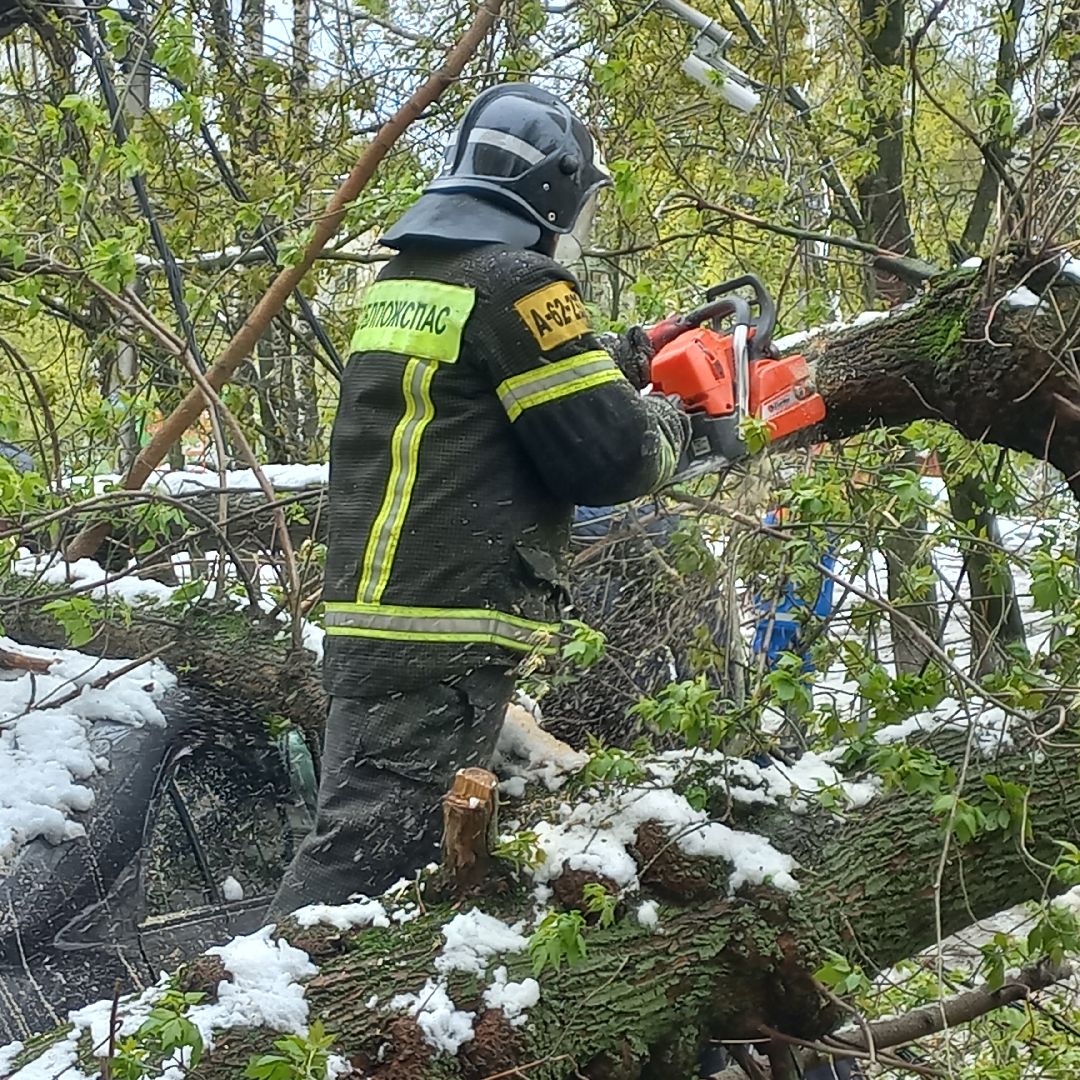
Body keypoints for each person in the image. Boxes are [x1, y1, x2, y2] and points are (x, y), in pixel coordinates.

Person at [266, 83, 691, 920]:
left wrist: (618, 358)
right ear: (556, 190)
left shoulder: (411, 279)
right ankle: (253, 1026)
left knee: (392, 862)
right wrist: (678, 427)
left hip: (383, 617)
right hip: (443, 632)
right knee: (359, 875)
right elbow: (611, 459)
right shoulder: (521, 281)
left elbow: (476, 395)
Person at [751, 506, 837, 758]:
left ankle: (790, 736)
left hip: (784, 616)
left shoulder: (773, 522)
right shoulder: (824, 522)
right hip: (798, 615)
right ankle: (787, 735)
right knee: (792, 679)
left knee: (770, 676)